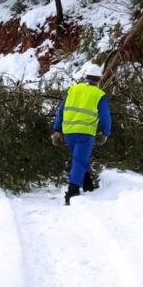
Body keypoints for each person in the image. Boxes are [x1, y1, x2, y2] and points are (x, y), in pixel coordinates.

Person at [51, 63, 112, 205]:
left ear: (86, 77)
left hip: (69, 133)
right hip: (85, 134)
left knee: (80, 159)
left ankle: (87, 184)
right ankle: (72, 192)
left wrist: (57, 130)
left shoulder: (72, 90)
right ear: (99, 80)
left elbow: (61, 110)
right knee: (78, 161)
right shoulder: (99, 94)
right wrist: (105, 133)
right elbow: (105, 116)